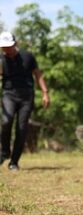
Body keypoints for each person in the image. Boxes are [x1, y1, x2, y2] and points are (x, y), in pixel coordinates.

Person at [0, 31, 49, 171]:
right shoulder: (1, 59)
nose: (6, 50)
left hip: (26, 96)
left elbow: (38, 75)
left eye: (8, 46)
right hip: (9, 94)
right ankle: (4, 152)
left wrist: (45, 93)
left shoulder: (27, 57)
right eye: (3, 47)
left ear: (15, 44)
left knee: (21, 128)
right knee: (6, 121)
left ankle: (14, 162)